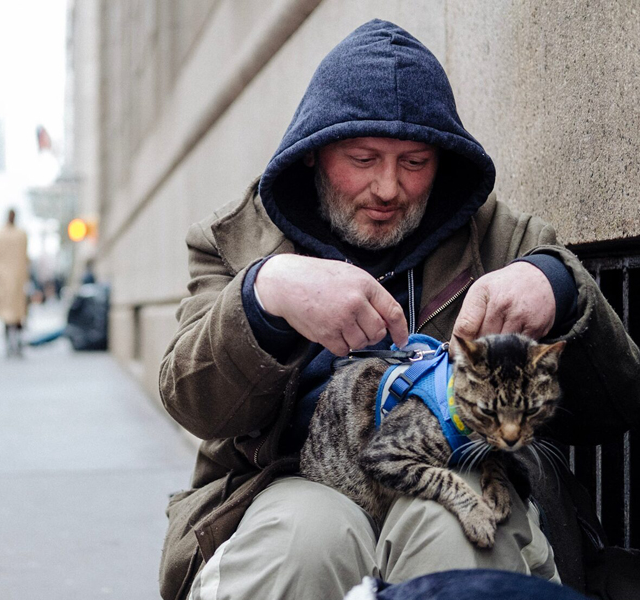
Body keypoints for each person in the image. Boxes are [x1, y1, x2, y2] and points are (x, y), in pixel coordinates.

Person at [158, 20, 640, 600]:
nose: (388, 188)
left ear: (443, 161)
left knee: (458, 534)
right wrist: (264, 296)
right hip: (287, 484)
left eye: (414, 162)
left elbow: (621, 400)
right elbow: (191, 399)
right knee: (305, 540)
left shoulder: (503, 238)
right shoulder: (232, 240)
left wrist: (559, 286)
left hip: (464, 470)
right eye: (362, 158)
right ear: (313, 154)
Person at [0, 208, 29, 357]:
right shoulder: (20, 235)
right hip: (16, 279)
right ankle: (15, 344)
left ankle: (11, 344)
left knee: (7, 314)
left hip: (4, 280)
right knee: (16, 314)